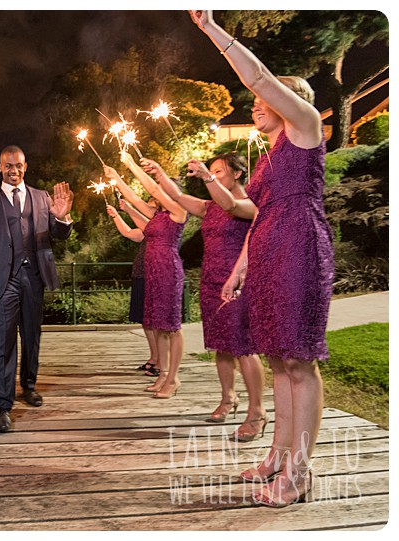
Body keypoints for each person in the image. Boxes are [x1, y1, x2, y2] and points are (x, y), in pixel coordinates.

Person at [191, 10, 334, 508]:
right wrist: (240, 268)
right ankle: (277, 456)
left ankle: (298, 473)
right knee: (278, 358)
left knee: (299, 360)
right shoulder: (269, 155)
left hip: (299, 246)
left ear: (289, 102)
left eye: (264, 99)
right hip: (269, 248)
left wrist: (211, 28)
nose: (257, 103)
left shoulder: (306, 127)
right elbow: (256, 213)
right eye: (255, 102)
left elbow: (258, 75)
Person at [153, 153, 266, 440]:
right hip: (210, 279)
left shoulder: (249, 204)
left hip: (237, 279)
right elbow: (177, 196)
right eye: (210, 171)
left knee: (243, 346)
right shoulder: (209, 206)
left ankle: (257, 411)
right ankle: (228, 399)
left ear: (238, 174)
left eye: (218, 171)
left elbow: (229, 204)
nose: (211, 175)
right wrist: (159, 173)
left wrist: (206, 176)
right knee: (221, 345)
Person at [0, 146, 74, 433]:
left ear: (26, 166)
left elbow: (58, 233)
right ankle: (4, 404)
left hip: (34, 277)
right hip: (4, 280)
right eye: (8, 166)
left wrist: (62, 218)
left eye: (19, 166)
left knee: (32, 335)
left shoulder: (42, 197)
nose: (14, 170)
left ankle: (29, 385)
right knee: (2, 340)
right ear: (0, 167)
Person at [107, 158, 187, 400]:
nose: (156, 194)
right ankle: (162, 374)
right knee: (157, 325)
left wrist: (131, 164)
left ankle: (173, 378)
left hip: (168, 270)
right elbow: (135, 200)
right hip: (151, 271)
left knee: (171, 327)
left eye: (162, 191)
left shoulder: (178, 212)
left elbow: (152, 189)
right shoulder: (157, 214)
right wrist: (117, 178)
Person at [105, 197, 159, 376]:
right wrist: (115, 215)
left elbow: (146, 226)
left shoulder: (159, 226)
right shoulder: (147, 228)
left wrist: (128, 209)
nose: (147, 206)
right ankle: (154, 357)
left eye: (151, 204)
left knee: (154, 321)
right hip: (140, 274)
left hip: (154, 274)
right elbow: (129, 232)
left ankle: (160, 361)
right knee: (145, 321)